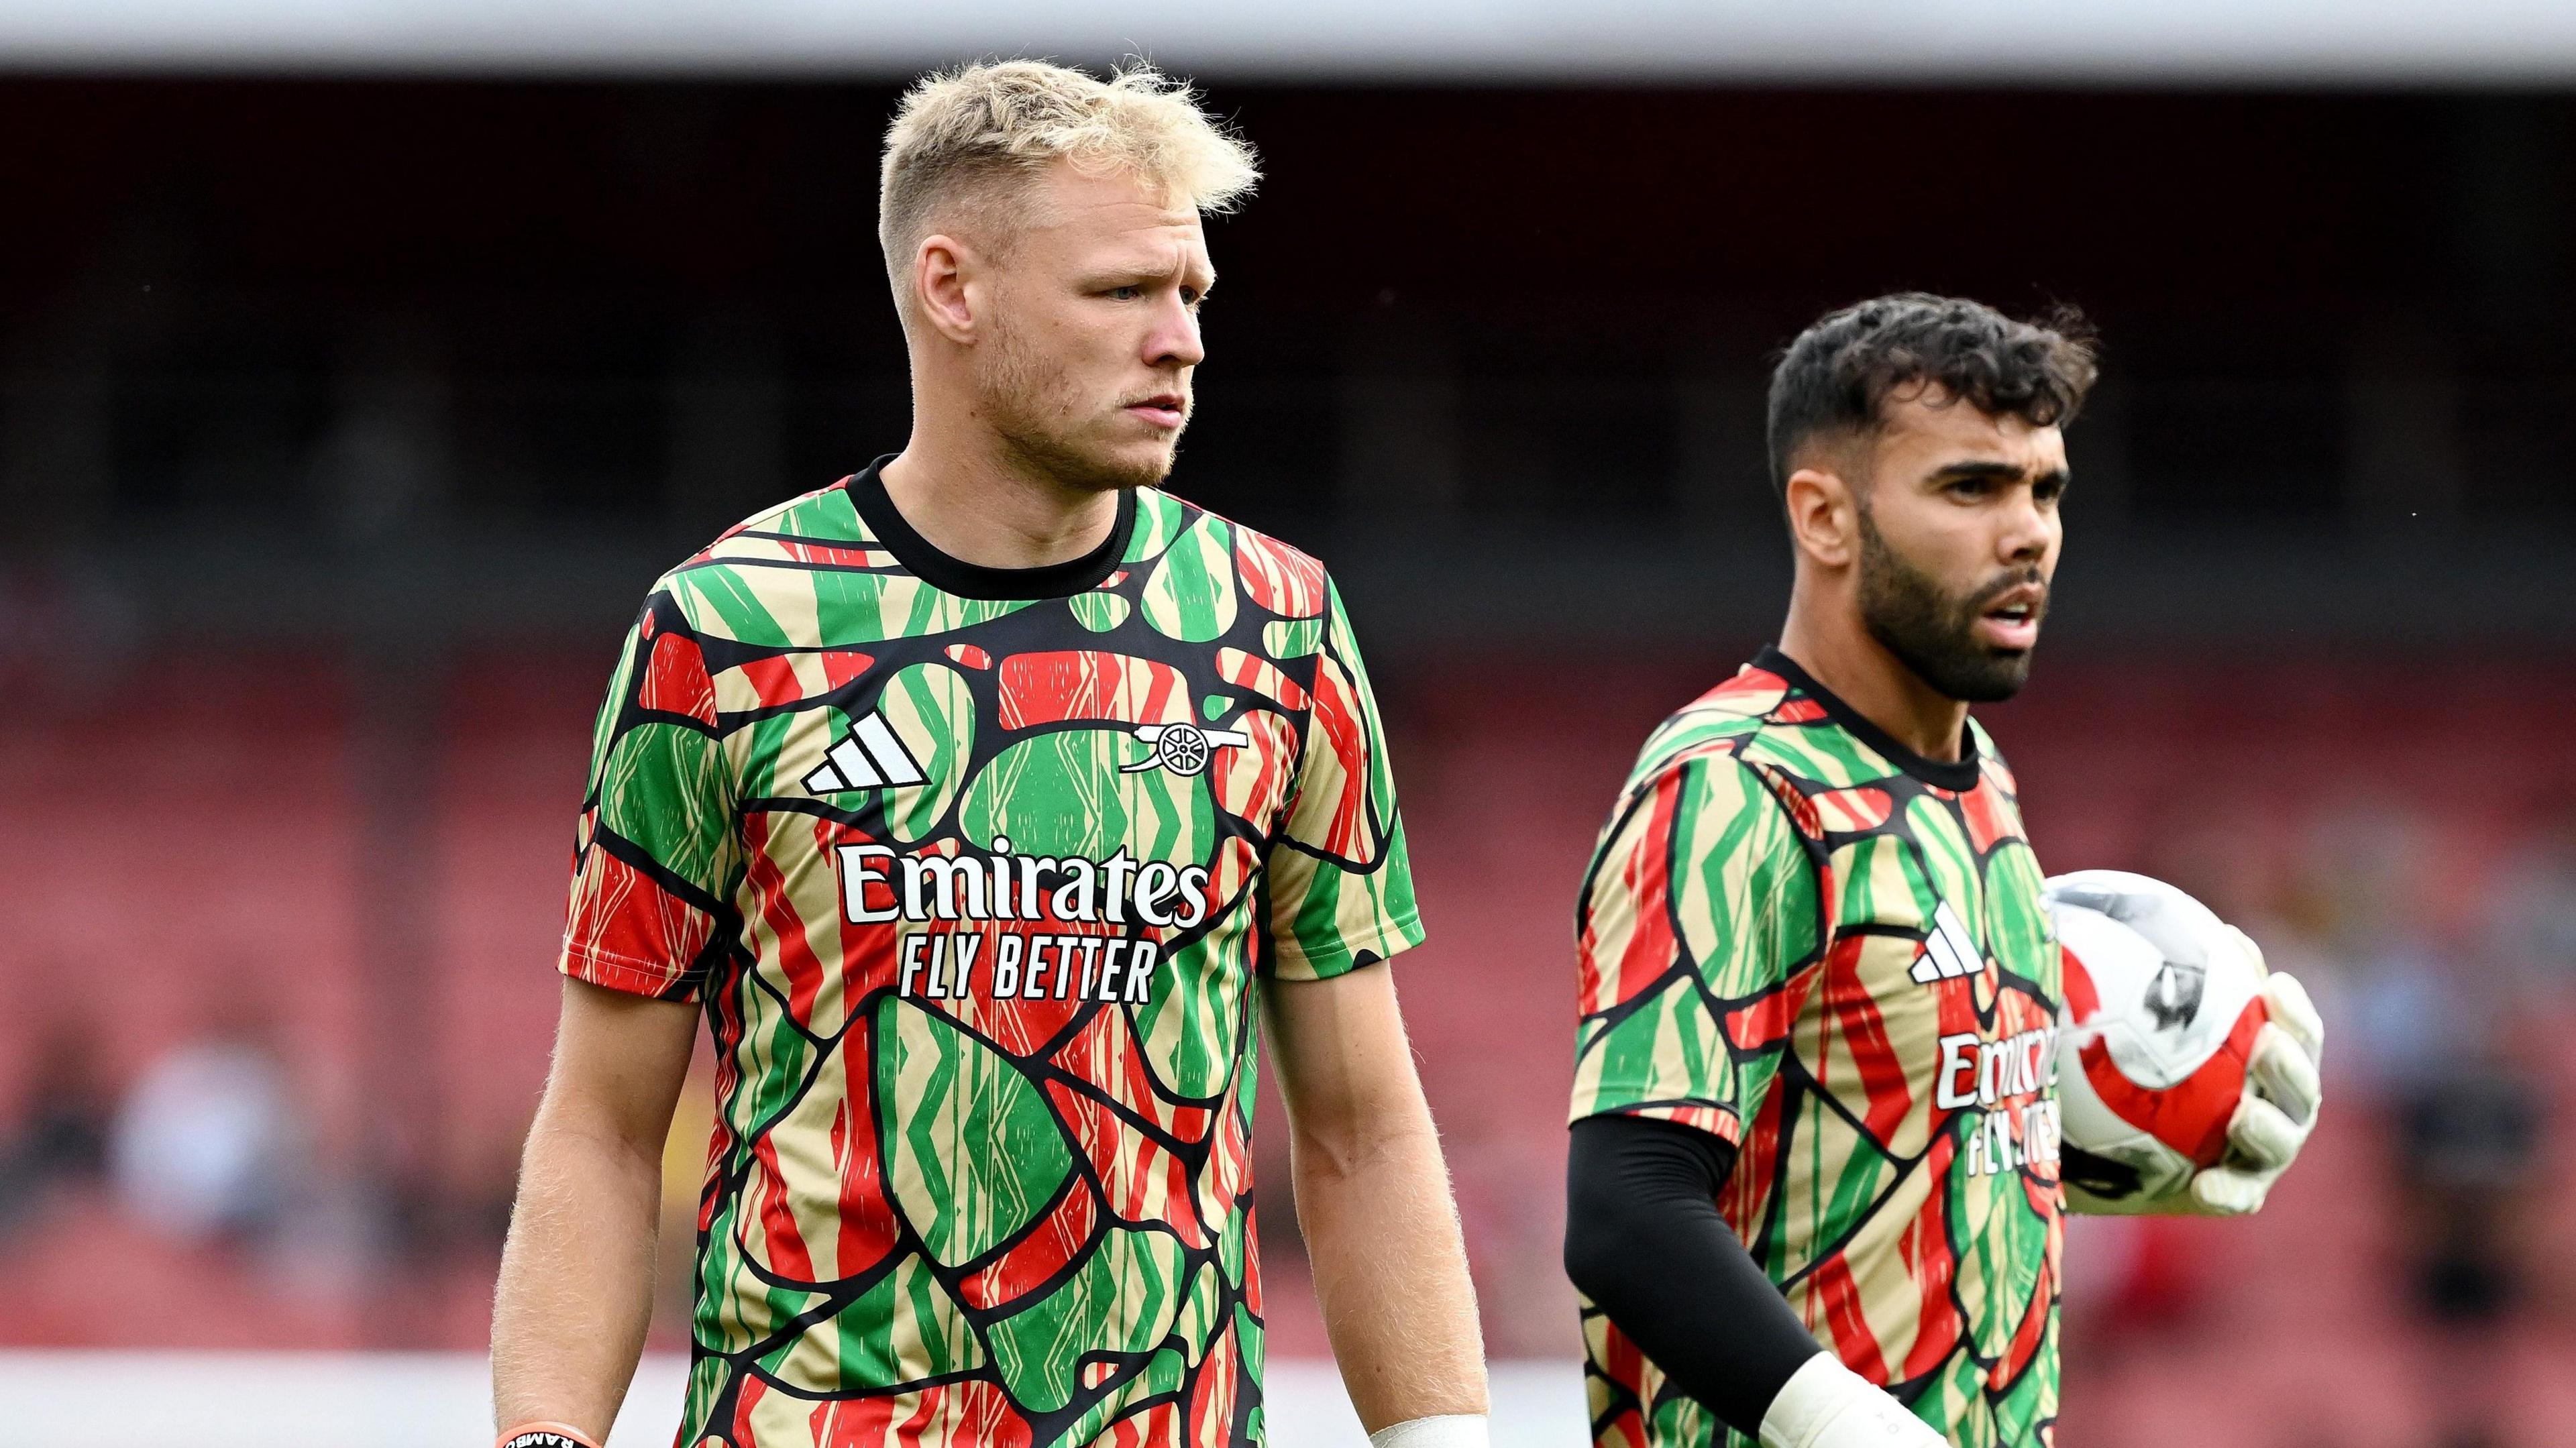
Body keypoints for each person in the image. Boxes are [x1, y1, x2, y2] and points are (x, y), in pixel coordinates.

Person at [490, 60, 1488, 1448]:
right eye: (1123, 292)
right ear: (951, 289)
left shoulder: (1280, 623)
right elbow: (601, 1127)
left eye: (1191, 293)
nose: (1183, 341)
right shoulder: (724, 629)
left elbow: (1362, 1130)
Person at [1560, 295, 2326, 1448]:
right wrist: (1842, 1429)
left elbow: (1896, 1145)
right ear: (1825, 517)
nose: (2027, 533)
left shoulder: (1983, 780)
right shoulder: (1732, 787)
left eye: (2045, 491)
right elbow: (1627, 1212)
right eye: (1971, 488)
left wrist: (2138, 1149)